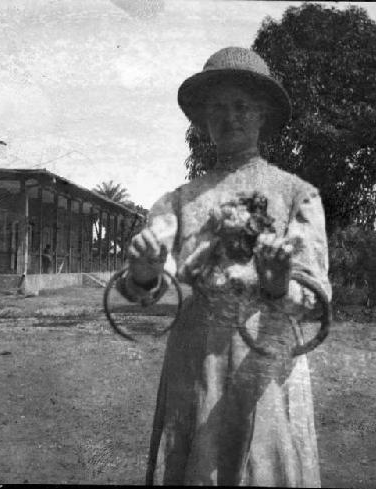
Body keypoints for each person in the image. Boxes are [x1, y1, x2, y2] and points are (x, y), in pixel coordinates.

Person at [118, 47, 331, 486]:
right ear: (202, 119)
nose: (229, 117)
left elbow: (313, 300)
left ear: (262, 115)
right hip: (196, 357)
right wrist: (144, 269)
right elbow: (143, 288)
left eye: (241, 106)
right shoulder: (178, 200)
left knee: (265, 465)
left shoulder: (297, 194)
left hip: (268, 357)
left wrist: (277, 284)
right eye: (217, 107)